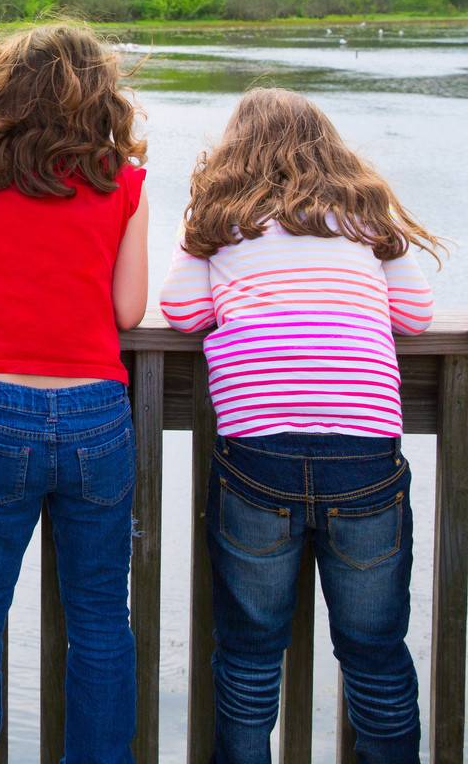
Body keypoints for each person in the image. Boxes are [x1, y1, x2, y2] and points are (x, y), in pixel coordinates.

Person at [161, 87, 440, 763]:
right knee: (373, 652)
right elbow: (416, 315)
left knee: (251, 657)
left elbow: (180, 312)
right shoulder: (367, 215)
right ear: (329, 147)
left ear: (236, 150)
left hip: (257, 458)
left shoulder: (219, 219)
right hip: (365, 461)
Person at [0, 22, 149, 764]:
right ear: (99, 98)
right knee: (102, 620)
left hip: (1, 412)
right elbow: (130, 314)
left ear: (8, 96)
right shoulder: (123, 183)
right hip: (96, 415)